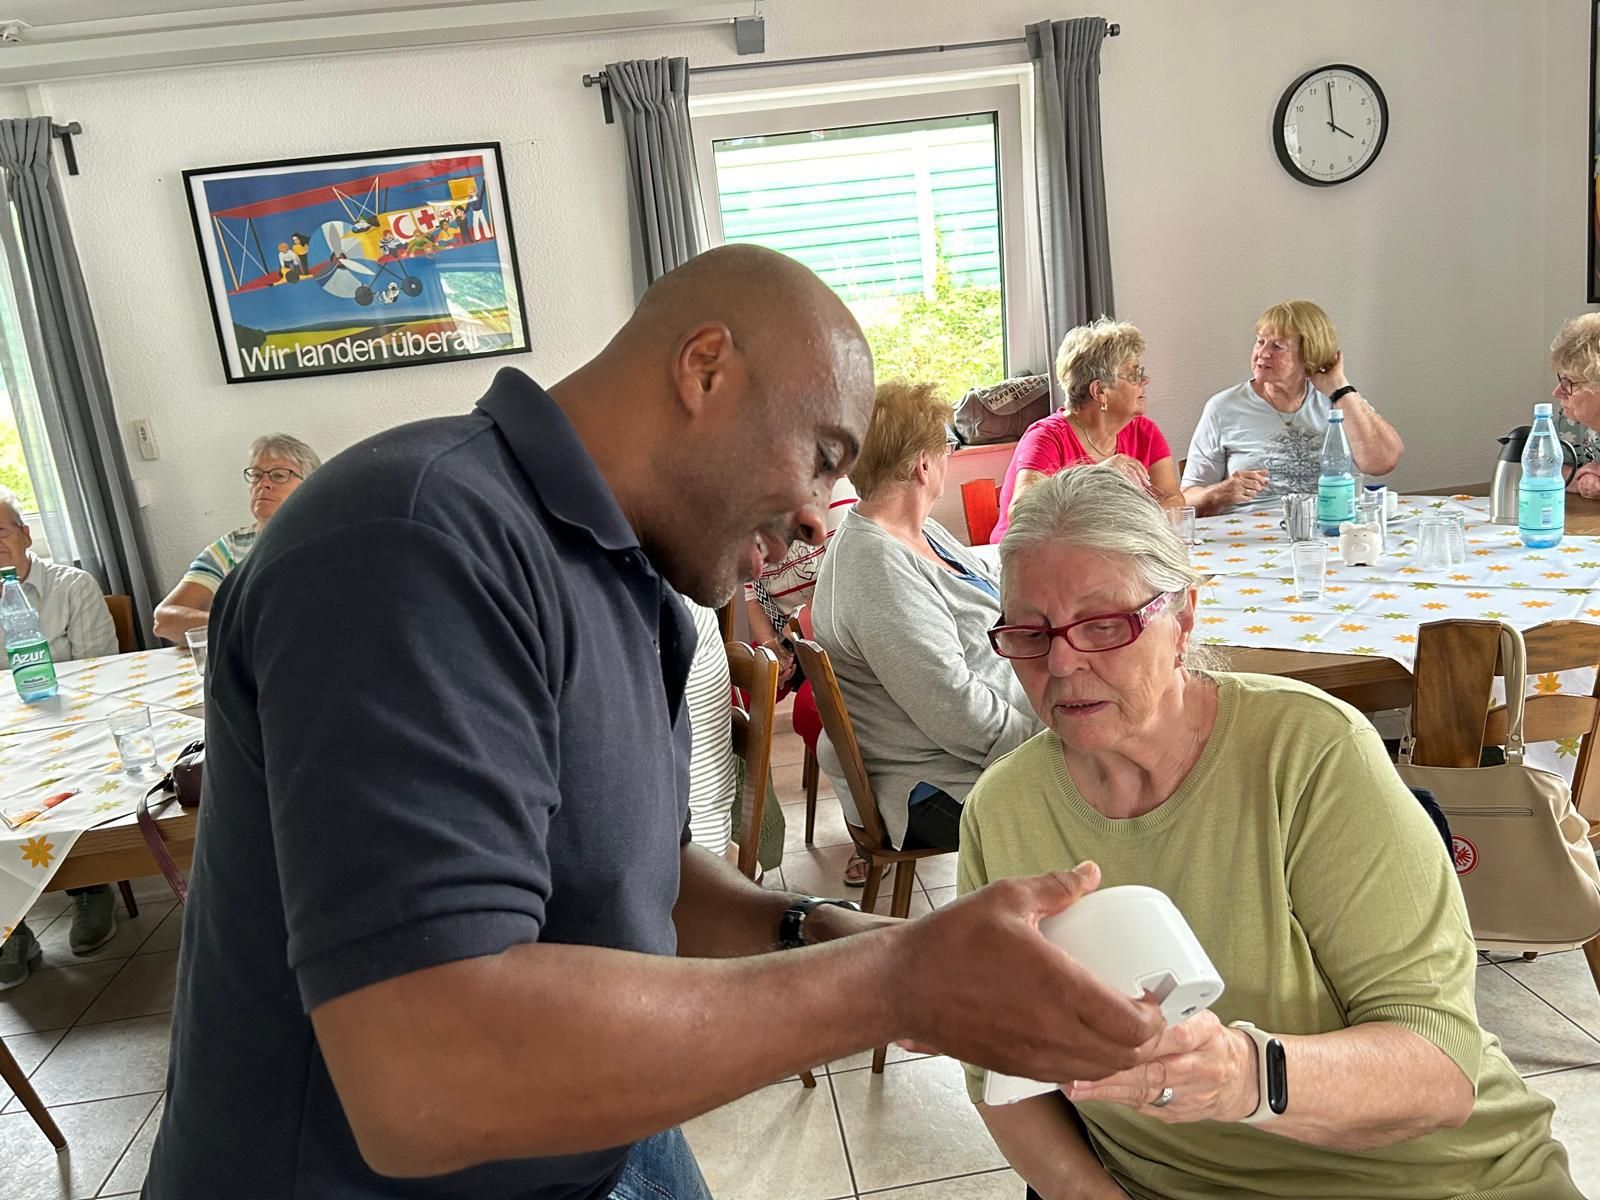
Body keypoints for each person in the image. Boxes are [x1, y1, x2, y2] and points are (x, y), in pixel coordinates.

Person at [141, 245, 1166, 1200]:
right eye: (820, 455)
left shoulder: (629, 573)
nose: (821, 515)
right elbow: (424, 1078)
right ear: (705, 367)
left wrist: (819, 930)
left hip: (604, 1144)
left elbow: (642, 878)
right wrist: (893, 983)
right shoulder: (411, 543)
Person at [960, 464, 1582, 1200]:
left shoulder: (1310, 755)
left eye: (1105, 624)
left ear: (1182, 620)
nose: (1063, 662)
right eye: (1031, 634)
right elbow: (1000, 1076)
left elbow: (1438, 1067)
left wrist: (1243, 1078)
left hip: (1428, 1182)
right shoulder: (1003, 812)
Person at [812, 379, 1040, 885]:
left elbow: (993, 594)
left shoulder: (917, 531)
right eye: (947, 448)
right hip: (936, 788)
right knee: (1116, 782)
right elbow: (955, 710)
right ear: (922, 465)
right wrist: (1051, 742)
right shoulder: (877, 567)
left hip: (969, 755)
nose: (948, 458)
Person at [0, 486, 121, 989]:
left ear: (26, 536)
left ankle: (91, 889)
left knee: (77, 762)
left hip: (72, 720)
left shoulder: (73, 586)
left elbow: (101, 670)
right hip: (7, 729)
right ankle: (11, 928)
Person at [1182, 300, 1403, 514]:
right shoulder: (1223, 408)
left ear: (1308, 354)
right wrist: (1220, 492)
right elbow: (1185, 498)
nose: (1263, 353)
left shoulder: (1336, 399)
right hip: (1251, 536)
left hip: (1328, 526)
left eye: (1278, 346)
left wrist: (1341, 388)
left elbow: (1382, 463)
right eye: (1260, 341)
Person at [991, 319, 1180, 544]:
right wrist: (1094, 475)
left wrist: (1129, 531)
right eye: (1134, 375)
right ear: (1099, 390)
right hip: (1033, 560)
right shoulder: (1045, 437)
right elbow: (1025, 512)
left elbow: (1172, 499)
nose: (1145, 381)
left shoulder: (1144, 431)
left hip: (1107, 553)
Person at [151, 434, 319, 644]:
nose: (263, 484)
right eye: (257, 475)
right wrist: (243, 626)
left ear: (310, 486)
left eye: (278, 476)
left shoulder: (324, 541)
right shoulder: (230, 548)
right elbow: (164, 620)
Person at [744, 474, 857, 691]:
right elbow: (752, 597)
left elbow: (840, 580)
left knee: (806, 712)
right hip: (786, 640)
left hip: (834, 638)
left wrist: (786, 645)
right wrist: (771, 649)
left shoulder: (834, 489)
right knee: (731, 686)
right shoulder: (747, 512)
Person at [1549, 312, 1600, 496]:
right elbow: (1537, 467)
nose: (1557, 392)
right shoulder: (1570, 421)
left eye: (1569, 383)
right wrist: (1582, 479)